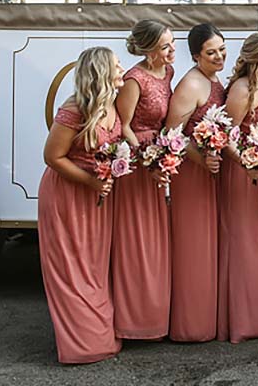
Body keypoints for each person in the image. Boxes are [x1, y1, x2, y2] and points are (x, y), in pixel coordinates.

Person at [38, 46, 124, 364]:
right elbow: (52, 156)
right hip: (68, 195)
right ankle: (81, 344)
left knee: (94, 266)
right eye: (116, 66)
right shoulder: (75, 109)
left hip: (96, 195)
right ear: (102, 72)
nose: (121, 70)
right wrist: (90, 180)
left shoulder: (112, 105)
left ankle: (98, 332)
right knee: (72, 268)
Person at [217, 32, 258, 343]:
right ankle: (244, 321)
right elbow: (224, 136)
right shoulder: (242, 90)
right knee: (245, 243)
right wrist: (246, 162)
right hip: (243, 173)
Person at [111, 20, 176, 340]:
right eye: (166, 46)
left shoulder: (168, 74)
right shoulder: (133, 80)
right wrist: (145, 156)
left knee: (157, 240)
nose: (172, 51)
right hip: (137, 163)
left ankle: (156, 317)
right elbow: (121, 125)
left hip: (160, 157)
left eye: (172, 44)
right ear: (149, 49)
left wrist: (165, 151)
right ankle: (133, 321)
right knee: (136, 240)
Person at [165, 23, 227, 343]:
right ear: (195, 55)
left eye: (222, 49)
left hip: (210, 171)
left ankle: (206, 318)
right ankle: (190, 325)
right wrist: (201, 159)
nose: (219, 56)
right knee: (193, 245)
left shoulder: (214, 79)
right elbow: (172, 132)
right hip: (191, 174)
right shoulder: (191, 84)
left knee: (208, 244)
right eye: (211, 52)